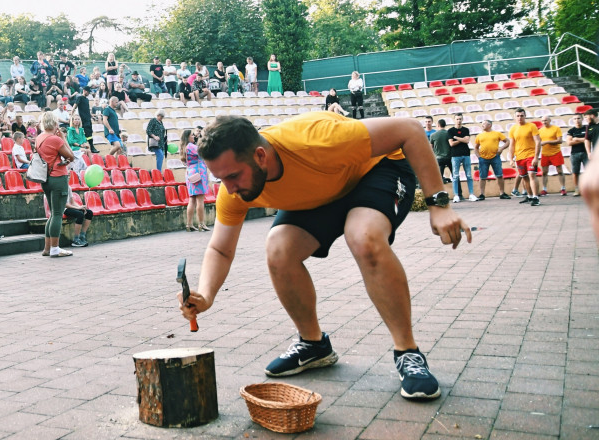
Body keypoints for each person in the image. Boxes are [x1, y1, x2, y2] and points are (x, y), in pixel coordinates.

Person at [182, 113, 471, 401]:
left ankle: (408, 353)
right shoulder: (233, 191)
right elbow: (220, 249)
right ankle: (313, 345)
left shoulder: (317, 140)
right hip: (323, 191)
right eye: (220, 179)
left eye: (233, 176)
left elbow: (409, 129)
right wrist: (206, 295)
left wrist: (439, 203)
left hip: (376, 171)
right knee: (278, 248)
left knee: (363, 236)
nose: (229, 188)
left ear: (260, 156)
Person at [36, 111, 75, 257]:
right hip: (58, 177)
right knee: (58, 214)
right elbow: (71, 156)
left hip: (45, 179)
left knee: (53, 215)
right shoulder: (55, 139)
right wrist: (63, 138)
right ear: (54, 123)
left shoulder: (39, 137)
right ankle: (55, 248)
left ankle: (47, 248)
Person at [508, 108, 542, 206]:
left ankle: (536, 197)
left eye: (522, 116)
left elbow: (538, 141)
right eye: (518, 116)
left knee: (532, 175)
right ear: (515, 117)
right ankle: (530, 196)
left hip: (531, 155)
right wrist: (511, 159)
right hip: (519, 157)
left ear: (525, 116)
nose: (520, 118)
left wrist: (536, 157)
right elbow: (512, 145)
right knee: (525, 177)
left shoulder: (532, 126)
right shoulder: (513, 129)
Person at [473, 119, 510, 200]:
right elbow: (475, 148)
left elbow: (507, 141)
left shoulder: (497, 134)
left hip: (495, 157)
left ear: (489, 125)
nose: (482, 125)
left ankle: (502, 193)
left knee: (499, 175)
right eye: (482, 124)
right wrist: (479, 157)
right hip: (483, 158)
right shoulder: (479, 135)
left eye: (484, 124)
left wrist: (501, 149)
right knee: (482, 177)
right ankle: (482, 194)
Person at [182, 128, 209, 232]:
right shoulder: (191, 146)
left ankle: (189, 224)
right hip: (198, 173)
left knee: (192, 199)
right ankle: (201, 224)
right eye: (192, 135)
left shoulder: (184, 147)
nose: (193, 137)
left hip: (190, 173)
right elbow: (203, 153)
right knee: (200, 200)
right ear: (188, 137)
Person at [447, 114, 477, 202]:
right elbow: (451, 144)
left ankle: (471, 194)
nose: (459, 121)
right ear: (454, 120)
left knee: (469, 175)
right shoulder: (450, 131)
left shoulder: (465, 130)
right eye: (457, 119)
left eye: (460, 119)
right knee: (455, 176)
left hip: (466, 154)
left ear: (462, 120)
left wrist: (456, 138)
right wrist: (461, 139)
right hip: (455, 155)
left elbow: (467, 140)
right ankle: (456, 195)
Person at [537, 115, 567, 196]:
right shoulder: (540, 130)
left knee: (560, 171)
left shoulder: (556, 128)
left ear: (550, 120)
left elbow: (560, 140)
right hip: (545, 153)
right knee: (544, 172)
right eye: (543, 121)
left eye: (546, 120)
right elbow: (538, 142)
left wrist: (547, 142)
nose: (544, 122)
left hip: (556, 152)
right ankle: (544, 189)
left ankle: (563, 188)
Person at [568, 113, 591, 196]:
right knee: (575, 172)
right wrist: (584, 139)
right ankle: (577, 189)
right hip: (574, 154)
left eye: (578, 118)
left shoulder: (587, 128)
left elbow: (589, 139)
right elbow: (569, 142)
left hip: (586, 153)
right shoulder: (571, 131)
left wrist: (577, 139)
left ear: (582, 119)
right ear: (573, 120)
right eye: (575, 119)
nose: (577, 120)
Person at [430, 118, 453, 188]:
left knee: (439, 178)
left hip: (439, 158)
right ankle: (459, 193)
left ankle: (440, 193)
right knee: (455, 176)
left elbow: (431, 148)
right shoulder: (448, 133)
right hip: (449, 157)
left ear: (438, 125)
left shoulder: (433, 135)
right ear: (445, 125)